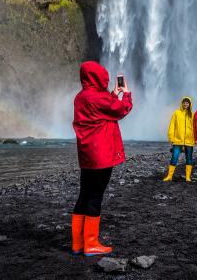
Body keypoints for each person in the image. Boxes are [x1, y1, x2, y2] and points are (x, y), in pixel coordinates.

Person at [71, 61, 132, 256]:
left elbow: (103, 108)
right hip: (102, 155)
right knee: (96, 196)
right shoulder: (98, 98)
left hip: (87, 156)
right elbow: (120, 109)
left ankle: (78, 244)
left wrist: (112, 94)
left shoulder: (81, 97)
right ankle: (91, 244)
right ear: (99, 77)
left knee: (84, 195)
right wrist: (126, 94)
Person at [163, 97, 195, 182]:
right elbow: (172, 126)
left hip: (189, 141)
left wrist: (196, 138)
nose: (185, 104)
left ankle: (188, 177)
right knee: (174, 157)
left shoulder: (192, 114)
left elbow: (195, 128)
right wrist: (171, 138)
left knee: (189, 159)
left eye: (187, 103)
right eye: (184, 102)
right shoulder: (176, 113)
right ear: (182, 103)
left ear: (190, 104)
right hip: (177, 140)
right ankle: (169, 176)